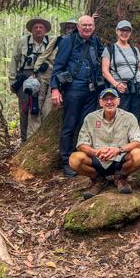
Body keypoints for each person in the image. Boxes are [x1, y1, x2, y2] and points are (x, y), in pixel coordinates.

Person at [51, 14, 104, 177]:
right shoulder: (69, 41)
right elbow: (58, 65)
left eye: (90, 25)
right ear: (78, 27)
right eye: (84, 25)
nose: (87, 28)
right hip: (73, 89)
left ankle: (83, 158)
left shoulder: (95, 41)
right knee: (69, 124)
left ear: (94, 27)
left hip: (91, 90)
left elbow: (107, 55)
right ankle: (66, 161)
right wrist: (55, 89)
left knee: (86, 125)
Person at [69, 87, 140, 199]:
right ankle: (97, 179)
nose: (109, 102)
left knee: (139, 154)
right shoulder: (90, 118)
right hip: (97, 159)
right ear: (100, 102)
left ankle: (121, 177)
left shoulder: (129, 117)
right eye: (105, 99)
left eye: (112, 99)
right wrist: (96, 152)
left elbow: (139, 142)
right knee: (74, 159)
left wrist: (117, 150)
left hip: (120, 159)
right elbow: (81, 144)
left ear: (118, 101)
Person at [8, 17, 52, 143]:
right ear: (31, 30)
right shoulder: (23, 41)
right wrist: (12, 81)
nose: (38, 30)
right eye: (35, 28)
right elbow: (14, 60)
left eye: (41, 27)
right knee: (25, 108)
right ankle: (25, 141)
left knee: (42, 108)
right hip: (25, 76)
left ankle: (42, 139)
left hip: (45, 75)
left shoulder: (51, 42)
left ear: (45, 30)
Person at [31, 19, 78, 136]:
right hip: (45, 73)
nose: (70, 30)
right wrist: (35, 70)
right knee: (37, 103)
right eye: (68, 27)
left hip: (59, 76)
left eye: (73, 28)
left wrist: (92, 19)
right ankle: (32, 134)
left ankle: (43, 132)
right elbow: (45, 54)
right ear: (64, 29)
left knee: (49, 103)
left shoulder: (78, 42)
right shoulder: (57, 40)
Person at [102, 20, 140, 123]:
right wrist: (116, 85)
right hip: (121, 88)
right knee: (120, 118)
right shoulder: (110, 49)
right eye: (122, 30)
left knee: (134, 118)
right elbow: (105, 71)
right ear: (117, 31)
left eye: (127, 30)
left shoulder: (134, 50)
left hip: (137, 87)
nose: (125, 33)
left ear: (130, 33)